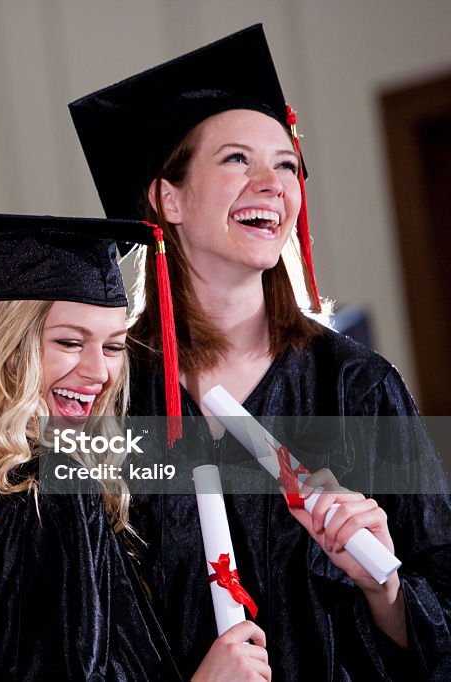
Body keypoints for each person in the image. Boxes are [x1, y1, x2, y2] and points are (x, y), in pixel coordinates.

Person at [70, 24, 451, 680]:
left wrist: (381, 586)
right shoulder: (107, 397)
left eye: (285, 164)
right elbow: (83, 630)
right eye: (237, 159)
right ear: (169, 197)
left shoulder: (355, 387)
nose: (273, 184)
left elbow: (442, 620)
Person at [0, 211, 274, 681]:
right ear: (4, 346)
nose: (99, 373)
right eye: (69, 342)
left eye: (112, 347)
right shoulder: (55, 491)